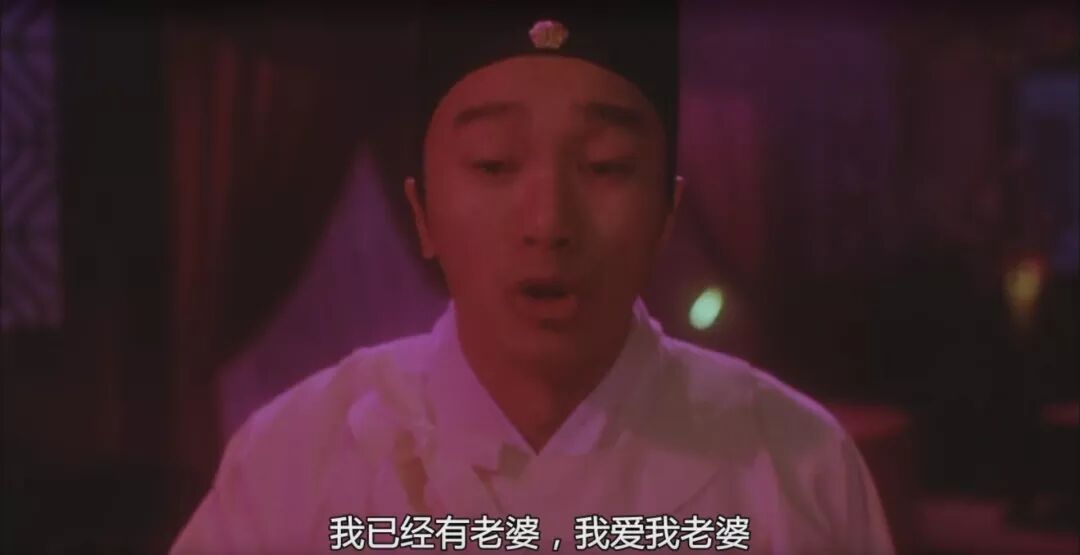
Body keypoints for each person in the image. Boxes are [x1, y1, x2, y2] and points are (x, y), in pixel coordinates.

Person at [172, 2, 895, 553]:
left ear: (665, 215)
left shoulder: (795, 465)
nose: (548, 221)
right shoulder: (294, 462)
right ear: (422, 212)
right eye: (494, 162)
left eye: (605, 165)